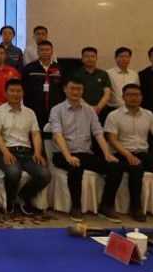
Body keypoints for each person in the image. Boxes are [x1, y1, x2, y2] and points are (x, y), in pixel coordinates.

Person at [50, 77, 122, 223]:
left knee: (116, 167)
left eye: (79, 89)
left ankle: (106, 206)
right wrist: (68, 156)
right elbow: (58, 135)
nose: (75, 92)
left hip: (85, 153)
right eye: (72, 88)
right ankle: (76, 206)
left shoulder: (89, 110)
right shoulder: (57, 110)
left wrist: (107, 154)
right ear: (65, 90)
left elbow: (98, 133)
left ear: (82, 91)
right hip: (62, 154)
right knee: (75, 168)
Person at [105, 84, 153, 224]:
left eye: (137, 95)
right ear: (123, 97)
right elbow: (112, 140)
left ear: (141, 97)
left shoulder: (148, 115)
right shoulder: (114, 115)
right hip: (122, 154)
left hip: (144, 154)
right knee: (136, 168)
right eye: (129, 95)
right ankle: (136, 208)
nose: (133, 98)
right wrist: (128, 155)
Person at [0, 79, 51, 215]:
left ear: (23, 93)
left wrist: (37, 152)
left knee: (44, 174)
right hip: (8, 151)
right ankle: (10, 200)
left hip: (28, 153)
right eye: (12, 91)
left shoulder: (30, 113)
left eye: (18, 91)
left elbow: (35, 134)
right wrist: (5, 152)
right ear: (5, 93)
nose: (15, 94)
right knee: (14, 173)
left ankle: (24, 195)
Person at [21, 40, 64, 131]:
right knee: (35, 132)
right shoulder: (29, 68)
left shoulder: (60, 68)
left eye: (47, 50)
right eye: (42, 50)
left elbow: (64, 89)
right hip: (34, 110)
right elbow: (24, 88)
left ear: (52, 52)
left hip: (55, 110)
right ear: (38, 52)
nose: (44, 52)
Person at [70, 47, 111, 121]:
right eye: (86, 57)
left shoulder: (103, 74)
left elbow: (107, 94)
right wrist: (89, 109)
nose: (90, 59)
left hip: (100, 111)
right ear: (82, 59)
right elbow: (74, 93)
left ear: (96, 58)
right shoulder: (75, 74)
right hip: (80, 110)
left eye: (92, 56)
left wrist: (98, 108)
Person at [105, 47, 139, 121]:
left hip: (131, 109)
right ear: (115, 58)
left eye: (127, 57)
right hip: (113, 109)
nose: (124, 59)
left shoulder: (134, 74)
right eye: (121, 56)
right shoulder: (108, 73)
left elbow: (137, 92)